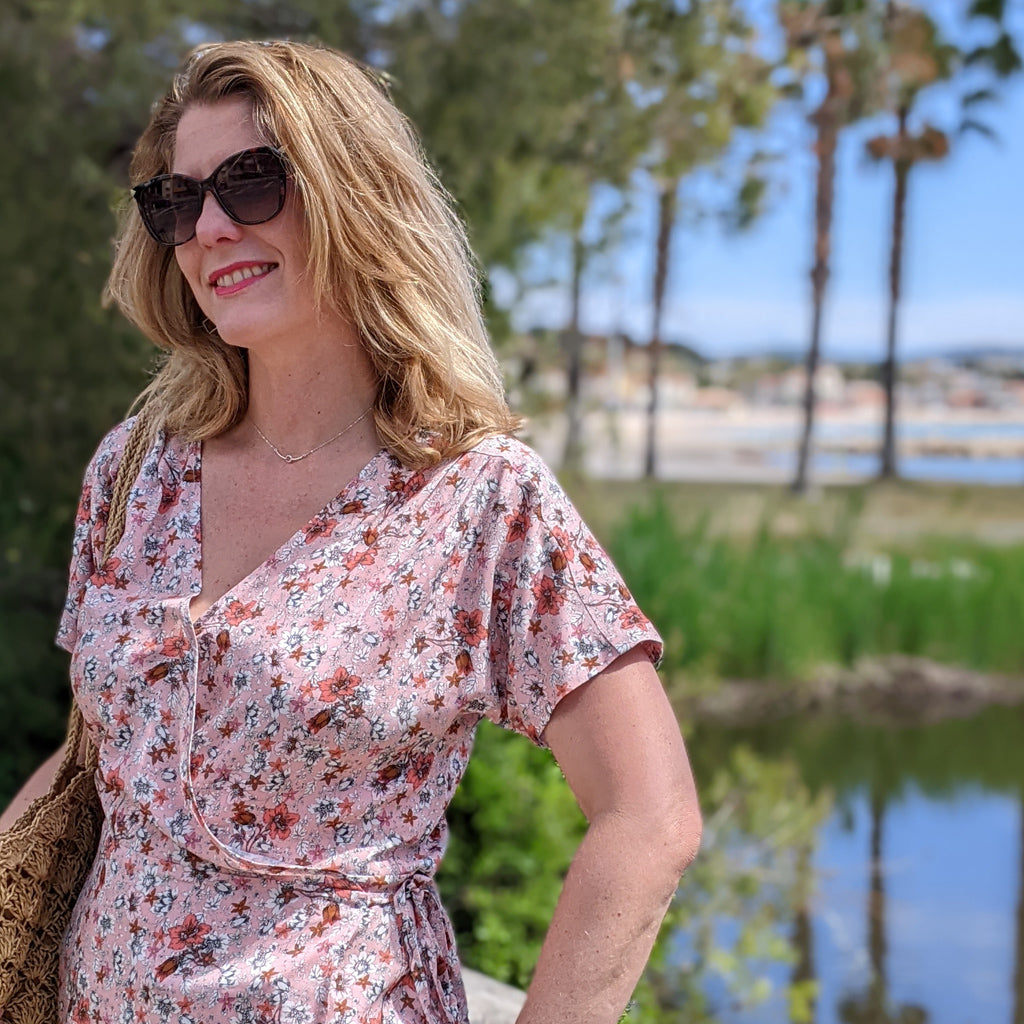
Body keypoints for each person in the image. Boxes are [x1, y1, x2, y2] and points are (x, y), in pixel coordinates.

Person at [1, 39, 701, 1024]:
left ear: (353, 193)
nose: (208, 228)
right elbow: (99, 757)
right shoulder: (136, 469)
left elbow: (650, 818)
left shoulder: (477, 498)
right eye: (177, 200)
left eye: (250, 181)